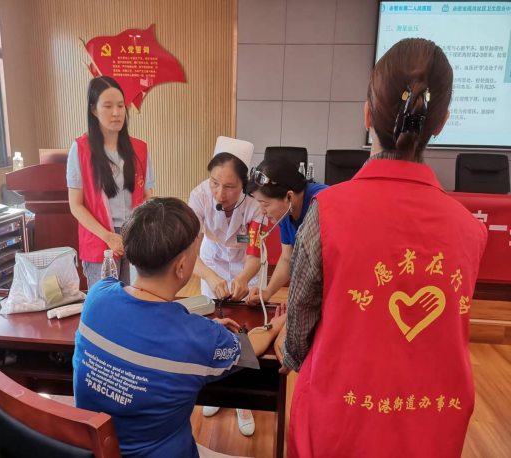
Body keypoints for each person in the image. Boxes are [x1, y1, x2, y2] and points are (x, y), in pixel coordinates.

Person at [278, 38, 487, 458]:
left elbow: (298, 335)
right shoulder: (470, 228)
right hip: (433, 424)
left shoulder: (326, 212)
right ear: (441, 123)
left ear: (367, 114)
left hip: (340, 419)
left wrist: (286, 352)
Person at [73, 198, 286, 458]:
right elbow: (248, 347)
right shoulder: (197, 338)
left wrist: (202, 332)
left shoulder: (97, 295)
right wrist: (275, 324)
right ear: (182, 266)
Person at [188, 136, 265, 434]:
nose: (220, 193)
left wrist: (244, 279)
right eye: (215, 182)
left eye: (230, 186)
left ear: (244, 183)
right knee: (214, 326)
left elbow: (254, 254)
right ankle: (215, 390)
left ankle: (243, 401)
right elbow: (189, 253)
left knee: (244, 330)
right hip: (210, 262)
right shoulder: (199, 197)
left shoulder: (255, 204)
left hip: (246, 266)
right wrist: (209, 276)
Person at [67, 76, 155, 289]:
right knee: (106, 300)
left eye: (120, 106)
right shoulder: (81, 149)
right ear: (94, 110)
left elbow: (147, 196)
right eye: (108, 106)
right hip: (99, 239)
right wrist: (107, 236)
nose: (116, 112)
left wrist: (141, 230)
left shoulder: (139, 149)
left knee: (135, 297)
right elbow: (76, 205)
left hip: (134, 236)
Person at [245, 160, 327, 306]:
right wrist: (267, 292)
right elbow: (287, 258)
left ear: (289, 197)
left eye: (265, 204)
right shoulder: (286, 210)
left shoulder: (321, 203)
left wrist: (294, 310)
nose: (262, 211)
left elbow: (314, 270)